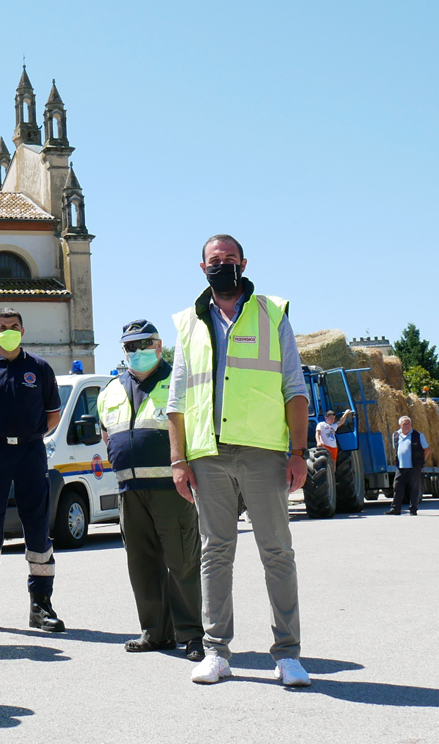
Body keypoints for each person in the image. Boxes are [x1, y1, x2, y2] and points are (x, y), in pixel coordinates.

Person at [167, 234, 313, 688]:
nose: (223, 264)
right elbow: (176, 401)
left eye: (230, 258)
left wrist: (297, 452)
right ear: (202, 266)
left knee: (277, 552)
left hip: (265, 453)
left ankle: (288, 655)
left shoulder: (272, 313)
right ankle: (216, 652)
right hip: (208, 455)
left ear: (244, 263)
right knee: (215, 553)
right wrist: (178, 459)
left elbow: (295, 388)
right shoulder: (189, 322)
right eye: (216, 259)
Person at [97, 319, 202, 661]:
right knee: (141, 564)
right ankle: (154, 632)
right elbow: (106, 434)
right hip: (129, 489)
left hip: (171, 487)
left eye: (145, 344)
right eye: (131, 346)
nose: (138, 352)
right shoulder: (110, 390)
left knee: (181, 561)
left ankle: (191, 635)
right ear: (123, 350)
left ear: (159, 346)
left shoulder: (177, 382)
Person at [0, 308, 64, 634]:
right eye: (3, 327)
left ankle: (41, 607)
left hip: (32, 452)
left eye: (14, 327)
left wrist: (27, 439)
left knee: (37, 528)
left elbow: (53, 415)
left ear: (23, 330)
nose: (9, 331)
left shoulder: (40, 368)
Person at [389, 415, 427, 516]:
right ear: (400, 425)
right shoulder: (396, 435)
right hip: (400, 467)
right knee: (397, 487)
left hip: (414, 467)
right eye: (404, 424)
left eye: (408, 423)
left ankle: (413, 509)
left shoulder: (418, 435)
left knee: (414, 488)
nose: (406, 425)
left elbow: (427, 449)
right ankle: (395, 509)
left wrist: (421, 461)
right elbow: (395, 449)